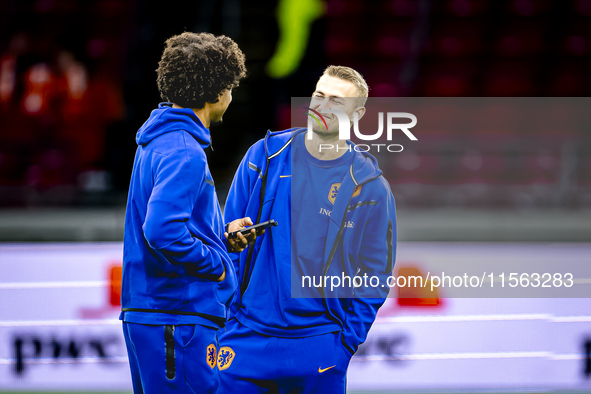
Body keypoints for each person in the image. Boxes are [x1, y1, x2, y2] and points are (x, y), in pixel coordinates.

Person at [219, 66, 397, 393]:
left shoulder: (371, 187)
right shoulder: (265, 156)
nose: (323, 106)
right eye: (319, 95)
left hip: (319, 346)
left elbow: (375, 275)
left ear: (356, 115)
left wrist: (344, 345)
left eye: (336, 101)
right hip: (244, 339)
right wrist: (230, 238)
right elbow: (222, 240)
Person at [120, 32, 252, 394]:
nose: (231, 95)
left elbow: (171, 225)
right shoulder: (185, 151)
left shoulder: (157, 141)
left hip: (156, 312)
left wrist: (219, 238)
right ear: (215, 92)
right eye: (230, 86)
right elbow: (162, 231)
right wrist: (219, 262)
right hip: (175, 313)